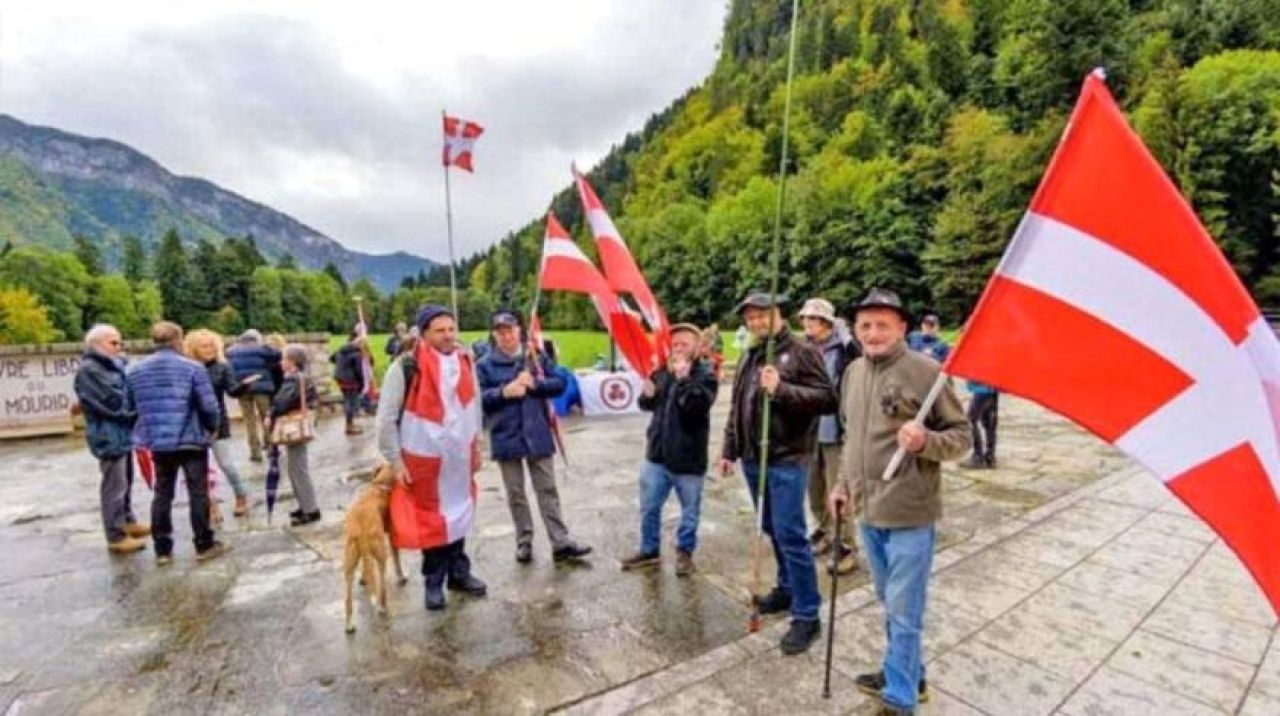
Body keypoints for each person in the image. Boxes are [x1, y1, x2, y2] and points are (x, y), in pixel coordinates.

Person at [828, 289, 971, 716]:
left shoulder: (927, 372)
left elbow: (962, 436)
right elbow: (852, 439)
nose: (872, 333)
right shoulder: (852, 372)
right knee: (890, 602)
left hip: (909, 512)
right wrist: (840, 486)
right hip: (867, 512)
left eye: (882, 325)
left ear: (902, 328)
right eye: (865, 325)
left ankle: (900, 698)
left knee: (905, 611)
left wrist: (926, 440)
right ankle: (906, 671)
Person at [716, 291, 837, 656]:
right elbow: (738, 406)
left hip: (786, 458)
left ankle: (807, 613)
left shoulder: (802, 352)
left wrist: (781, 390)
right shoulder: (751, 354)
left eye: (761, 316)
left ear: (777, 314)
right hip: (754, 459)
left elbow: (827, 399)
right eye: (749, 318)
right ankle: (787, 589)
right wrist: (728, 449)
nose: (755, 322)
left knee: (790, 534)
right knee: (771, 528)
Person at [376, 305, 488, 611]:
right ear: (424, 333)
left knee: (459, 513)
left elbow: (474, 405)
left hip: (458, 458)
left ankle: (459, 574)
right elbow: (385, 419)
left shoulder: (465, 361)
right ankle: (433, 581)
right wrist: (396, 462)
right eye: (440, 330)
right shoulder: (405, 367)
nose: (448, 335)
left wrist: (477, 446)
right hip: (422, 456)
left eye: (451, 329)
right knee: (431, 519)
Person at [476, 310, 592, 565]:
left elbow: (560, 384)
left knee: (547, 489)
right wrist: (503, 392)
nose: (506, 336)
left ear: (519, 330)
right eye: (501, 332)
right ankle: (524, 541)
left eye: (511, 330)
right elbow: (478, 400)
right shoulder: (484, 365)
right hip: (506, 437)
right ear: (495, 335)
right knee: (516, 493)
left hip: (537, 433)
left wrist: (535, 384)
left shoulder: (535, 357)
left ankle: (560, 541)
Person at [126, 321, 228, 564]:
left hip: (158, 441)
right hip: (190, 437)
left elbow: (129, 408)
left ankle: (162, 550)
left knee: (162, 493)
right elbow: (209, 405)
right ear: (178, 340)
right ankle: (203, 544)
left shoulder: (135, 371)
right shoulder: (193, 368)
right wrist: (212, 427)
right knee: (198, 492)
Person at [621, 323, 718, 576]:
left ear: (697, 347)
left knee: (689, 512)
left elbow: (696, 406)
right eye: (675, 344)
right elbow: (647, 405)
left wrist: (684, 379)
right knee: (649, 507)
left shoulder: (705, 375)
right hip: (657, 456)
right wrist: (647, 395)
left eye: (684, 344)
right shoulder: (662, 372)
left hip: (688, 458)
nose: (678, 348)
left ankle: (685, 552)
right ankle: (649, 550)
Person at [797, 297, 861, 575]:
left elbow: (858, 378)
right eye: (805, 319)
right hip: (808, 431)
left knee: (839, 491)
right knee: (814, 488)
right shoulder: (803, 348)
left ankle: (845, 545)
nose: (806, 324)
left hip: (836, 430)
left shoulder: (845, 349)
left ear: (826, 322)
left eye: (812, 319)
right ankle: (823, 531)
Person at [74, 324, 148, 553]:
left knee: (126, 480)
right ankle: (115, 535)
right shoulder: (90, 370)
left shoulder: (113, 366)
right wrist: (135, 409)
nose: (119, 347)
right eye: (113, 343)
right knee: (114, 486)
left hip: (122, 431)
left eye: (120, 342)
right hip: (108, 432)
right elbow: (113, 403)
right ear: (96, 344)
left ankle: (127, 521)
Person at [184, 329, 251, 517]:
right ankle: (211, 504)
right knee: (200, 469)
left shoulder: (222, 367)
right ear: (194, 349)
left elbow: (232, 391)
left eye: (212, 346)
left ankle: (241, 495)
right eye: (204, 346)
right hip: (194, 423)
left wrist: (244, 385)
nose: (209, 350)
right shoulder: (188, 368)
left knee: (226, 464)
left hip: (217, 421)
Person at [270, 345, 321, 526]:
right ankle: (304, 505)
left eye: (283, 359)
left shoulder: (292, 379)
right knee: (296, 468)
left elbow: (282, 402)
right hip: (300, 425)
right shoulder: (301, 378)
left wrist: (271, 412)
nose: (280, 362)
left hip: (294, 427)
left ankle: (310, 509)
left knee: (298, 469)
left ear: (291, 362)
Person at [227, 329, 282, 462]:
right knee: (266, 416)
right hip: (261, 386)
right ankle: (270, 446)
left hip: (242, 387)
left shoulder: (232, 351)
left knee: (249, 421)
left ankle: (255, 452)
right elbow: (278, 355)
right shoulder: (262, 349)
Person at [330, 334, 367, 435]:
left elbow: (331, 358)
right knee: (350, 401)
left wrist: (341, 364)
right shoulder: (357, 353)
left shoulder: (341, 349)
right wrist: (362, 383)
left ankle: (350, 424)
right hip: (350, 380)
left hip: (340, 378)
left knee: (347, 399)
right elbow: (358, 370)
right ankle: (349, 426)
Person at [962, 380, 999, 469]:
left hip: (981, 388)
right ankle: (990, 456)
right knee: (989, 421)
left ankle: (978, 457)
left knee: (970, 420)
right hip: (992, 388)